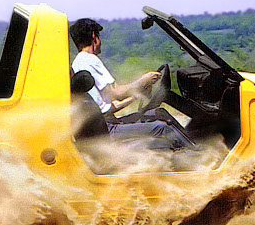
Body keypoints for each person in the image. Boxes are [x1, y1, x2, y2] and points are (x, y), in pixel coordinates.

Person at [69, 18, 194, 149]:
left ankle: (192, 147)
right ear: (94, 37)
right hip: (108, 129)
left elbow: (107, 107)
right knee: (163, 128)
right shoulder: (89, 60)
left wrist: (136, 95)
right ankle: (198, 156)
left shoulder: (78, 63)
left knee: (159, 113)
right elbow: (116, 94)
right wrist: (144, 80)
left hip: (104, 125)